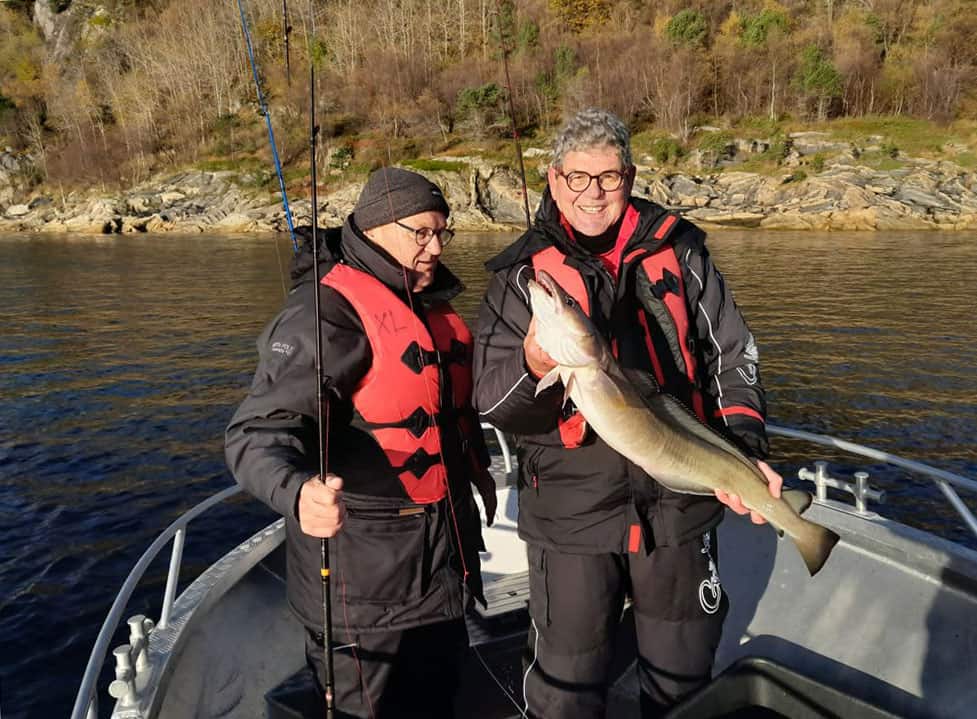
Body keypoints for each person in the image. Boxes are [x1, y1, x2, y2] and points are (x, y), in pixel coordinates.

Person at [472, 108, 783, 718]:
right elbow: (492, 401)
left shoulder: (683, 252)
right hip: (571, 517)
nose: (593, 193)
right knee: (566, 685)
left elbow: (733, 353)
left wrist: (744, 446)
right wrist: (534, 364)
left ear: (631, 177)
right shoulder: (518, 277)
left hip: (681, 507)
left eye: (609, 178)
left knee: (682, 679)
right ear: (554, 179)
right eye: (578, 178)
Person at [225, 167, 497, 719]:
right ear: (374, 228)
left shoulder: (426, 303)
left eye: (443, 232)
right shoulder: (323, 314)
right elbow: (256, 432)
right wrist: (298, 491)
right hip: (365, 588)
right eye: (420, 232)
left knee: (439, 704)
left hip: (441, 572)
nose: (435, 246)